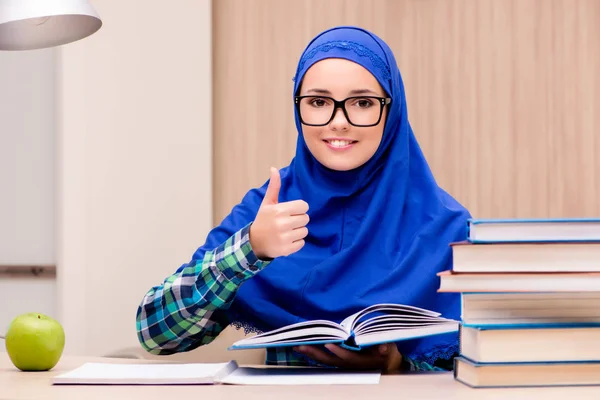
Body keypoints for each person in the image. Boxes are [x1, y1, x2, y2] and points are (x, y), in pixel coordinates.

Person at [136, 26, 470, 373]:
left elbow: (484, 375)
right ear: (298, 108)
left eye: (362, 103)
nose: (339, 122)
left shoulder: (448, 227)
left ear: (392, 110)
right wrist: (250, 249)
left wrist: (401, 369)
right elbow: (156, 335)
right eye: (319, 102)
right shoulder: (268, 212)